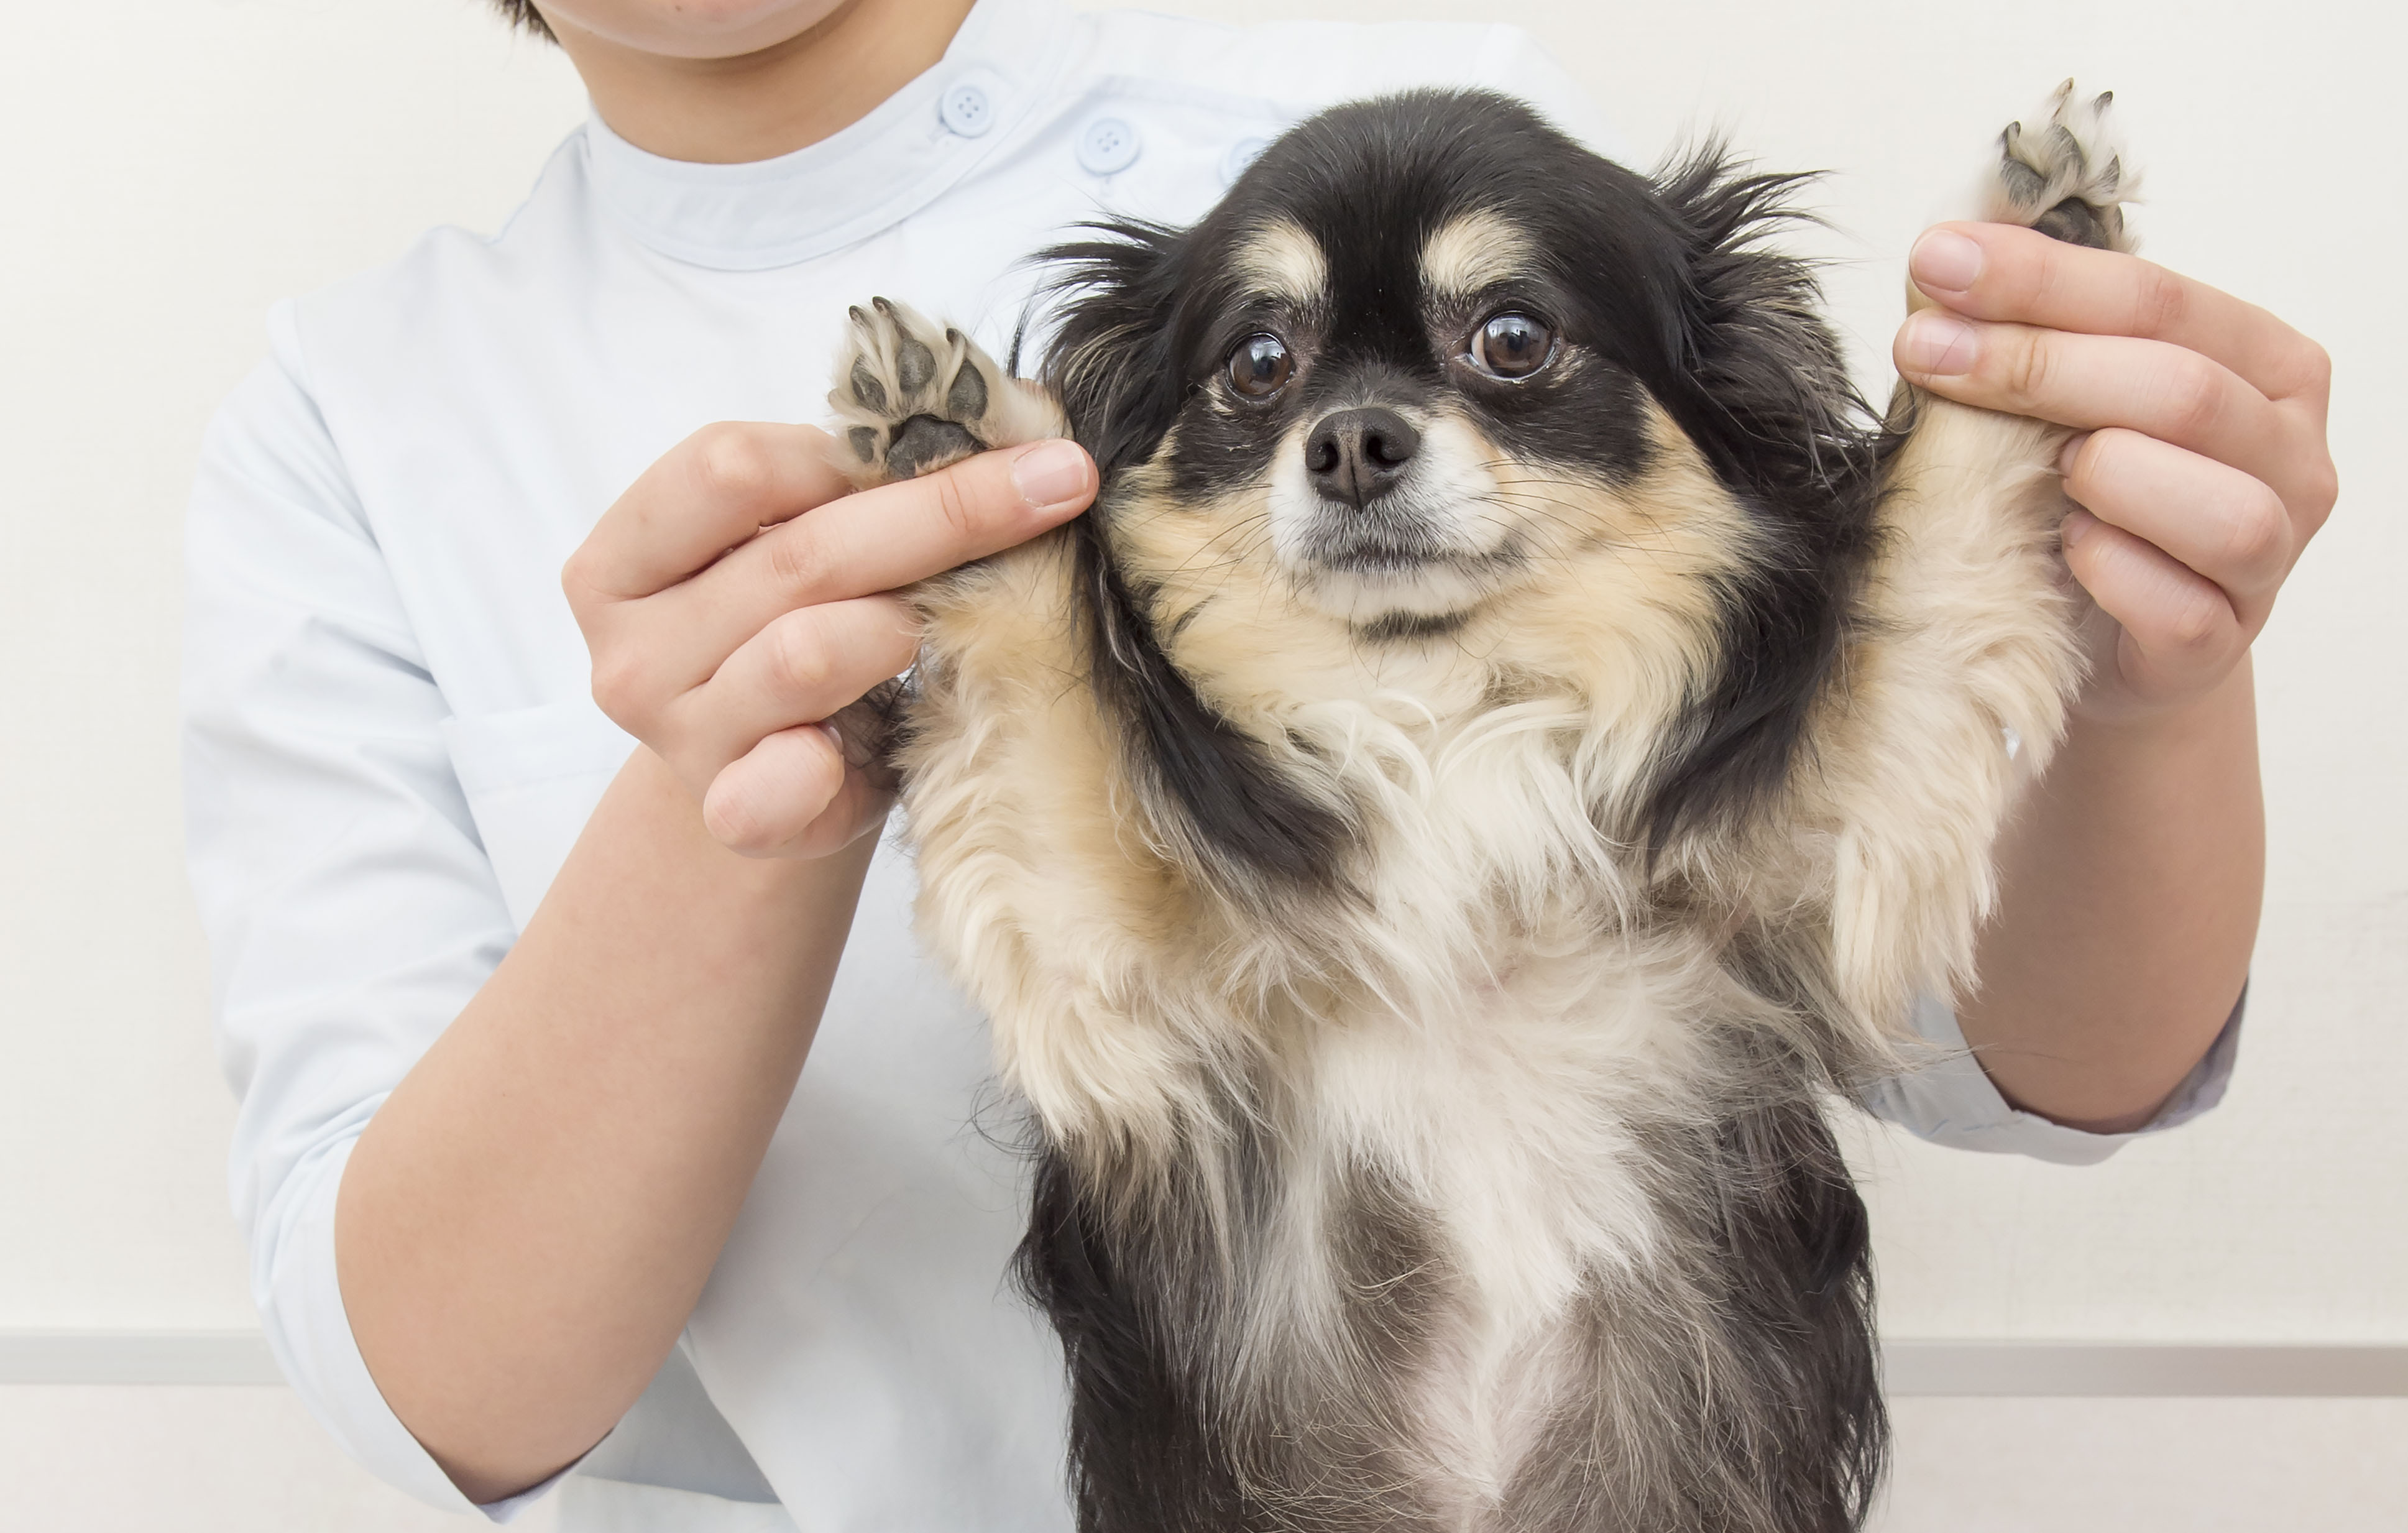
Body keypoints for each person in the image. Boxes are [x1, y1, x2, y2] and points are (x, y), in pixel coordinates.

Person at [180, 0, 2335, 1524]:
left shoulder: (1416, 86)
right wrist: (763, 783)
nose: (1367, 422)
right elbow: (434, 1380)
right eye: (1272, 367)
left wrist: (2125, 646)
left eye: (1503, 348)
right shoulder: (345, 418)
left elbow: (1981, 1019)